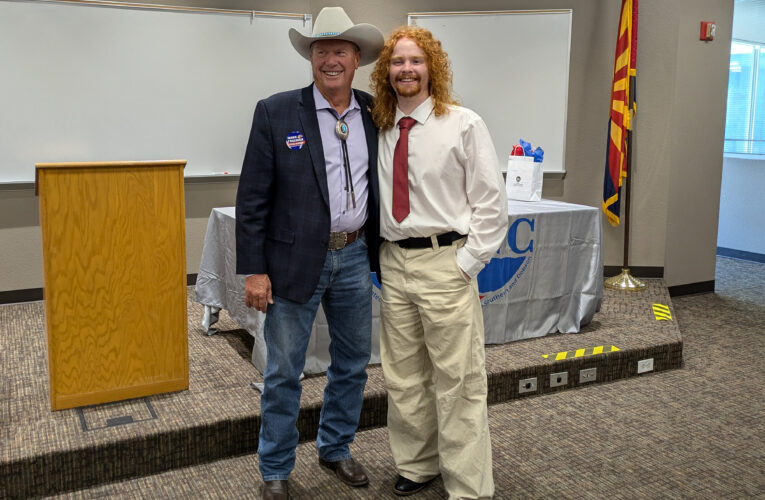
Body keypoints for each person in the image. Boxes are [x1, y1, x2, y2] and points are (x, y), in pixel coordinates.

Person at [235, 7, 383, 500]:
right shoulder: (277, 112)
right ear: (311, 58)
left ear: (356, 58)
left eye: (340, 50)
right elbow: (253, 199)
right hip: (293, 261)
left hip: (355, 257)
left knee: (353, 362)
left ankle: (335, 447)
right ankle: (275, 467)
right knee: (284, 370)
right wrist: (255, 269)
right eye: (322, 51)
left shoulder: (372, 112)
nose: (331, 60)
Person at [370, 26, 509, 499]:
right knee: (404, 377)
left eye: (416, 61)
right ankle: (416, 463)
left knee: (459, 380)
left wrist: (466, 264)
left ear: (433, 67)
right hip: (394, 264)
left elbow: (491, 205)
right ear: (385, 71)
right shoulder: (380, 126)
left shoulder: (463, 123)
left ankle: (469, 486)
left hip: (444, 262)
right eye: (397, 62)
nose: (406, 70)